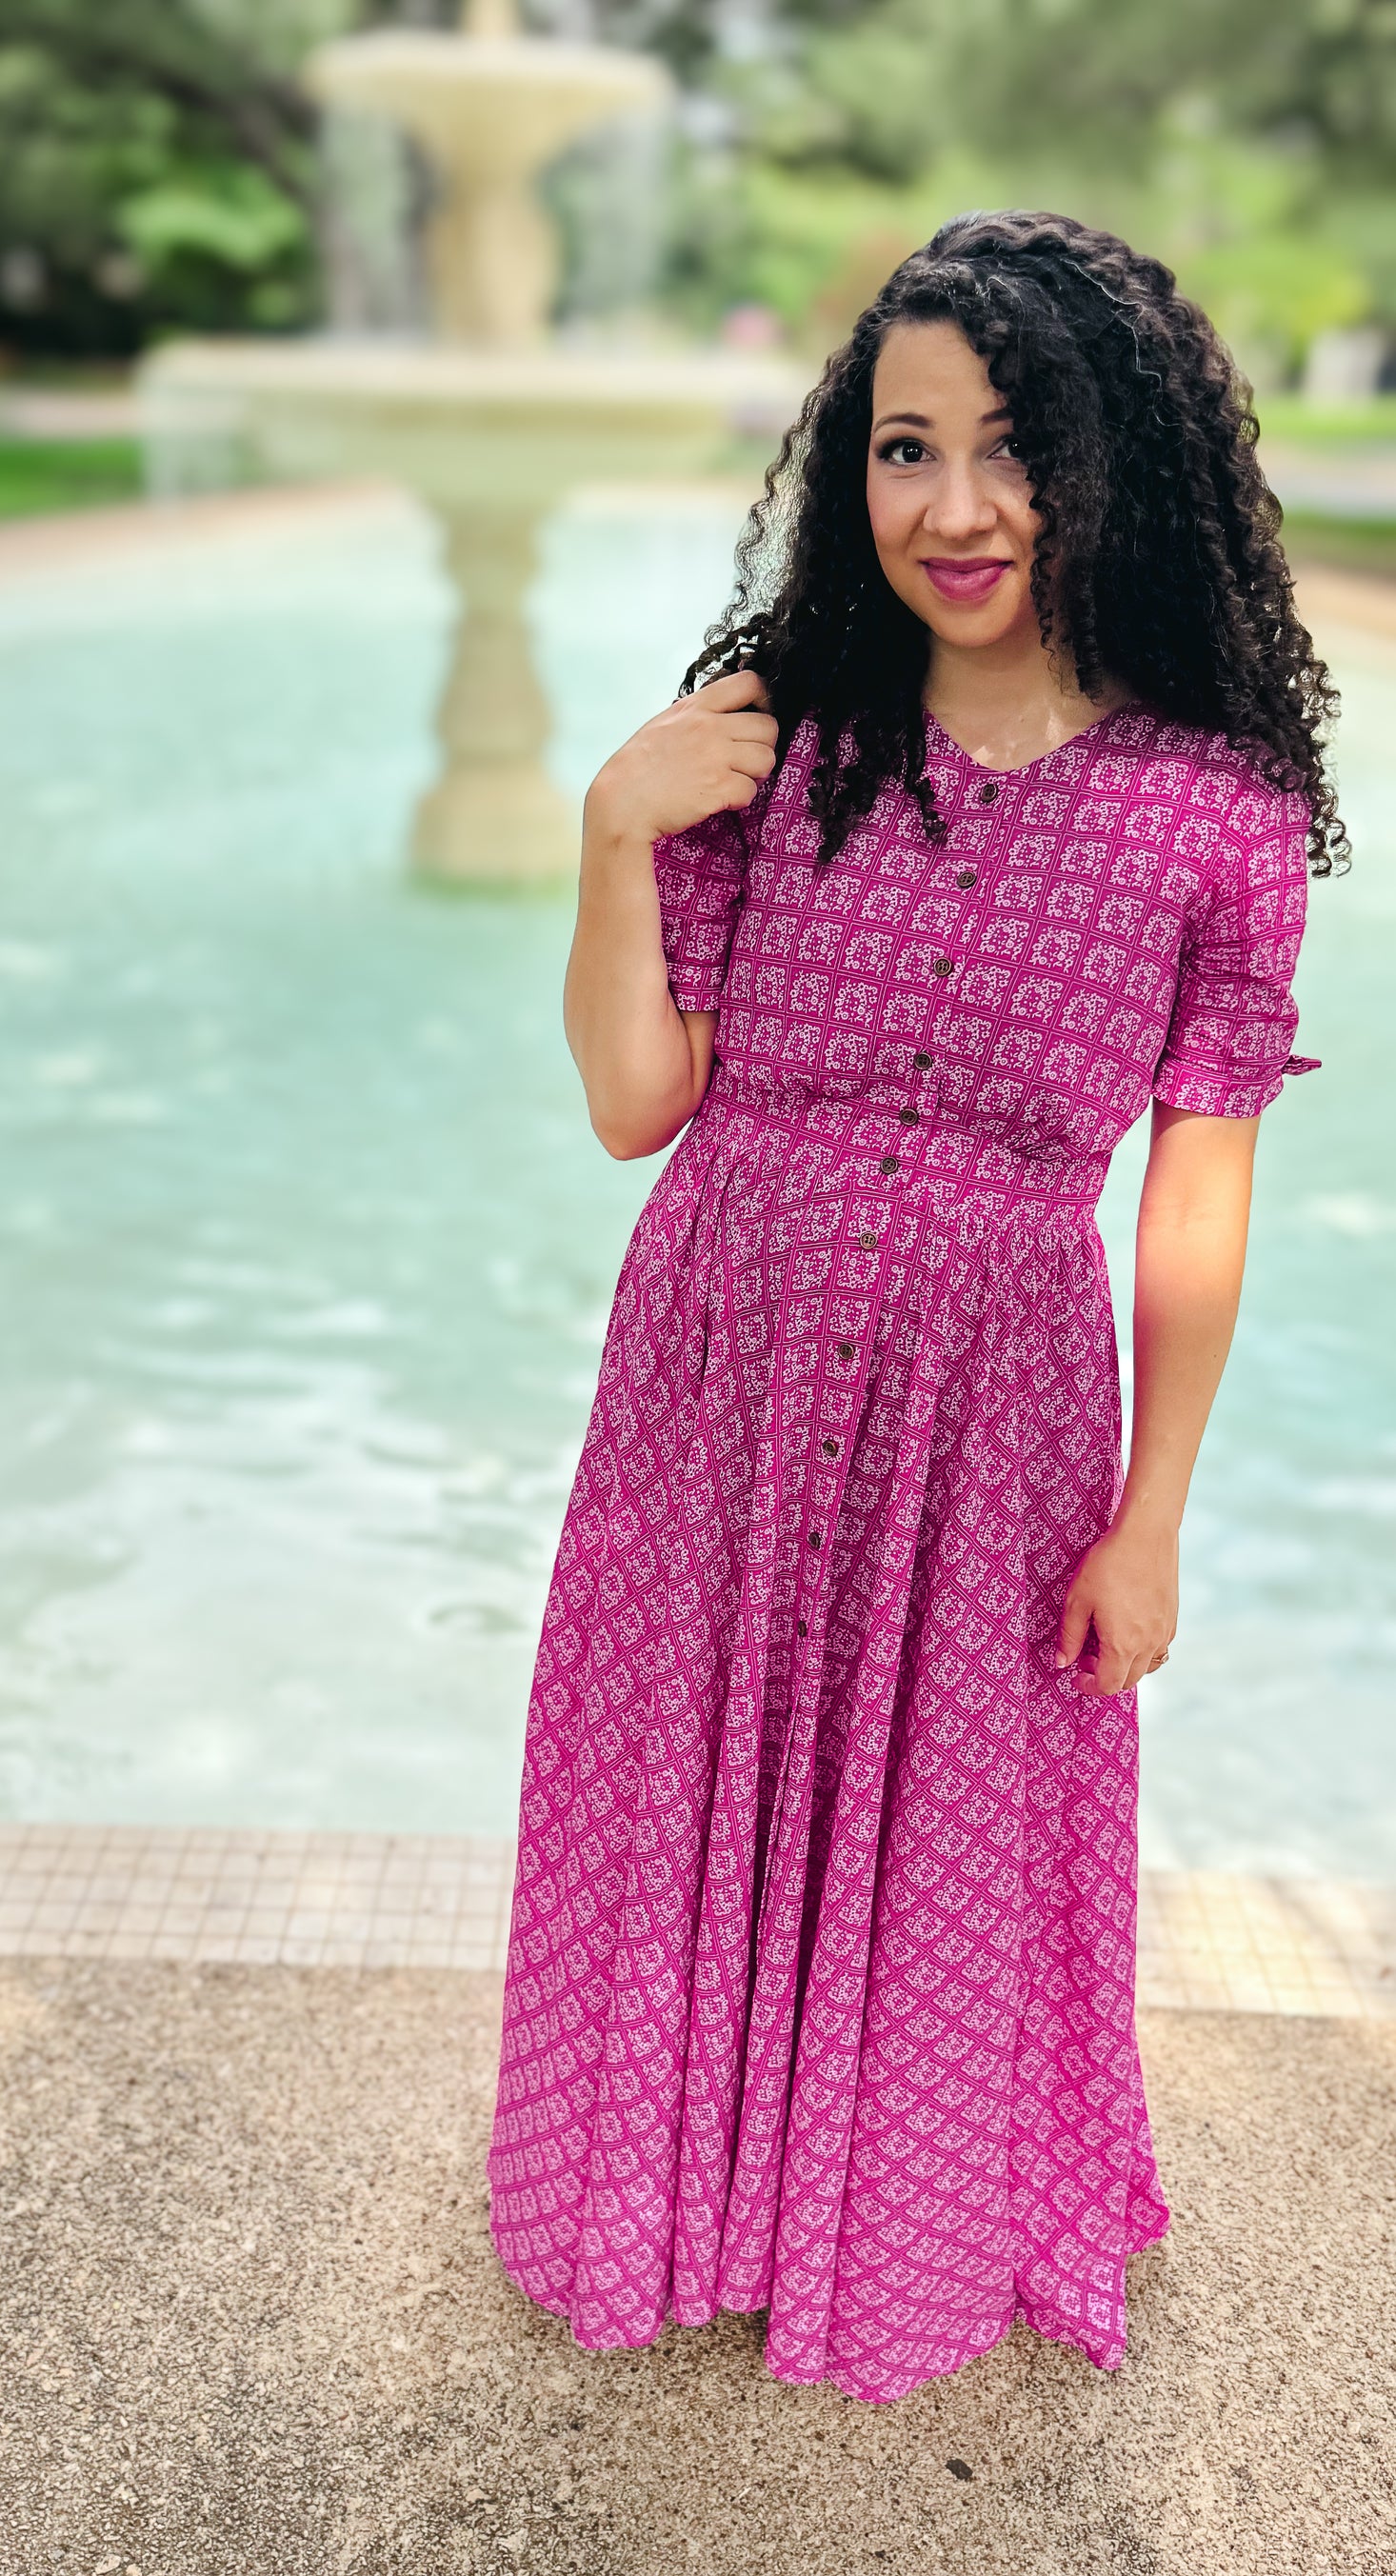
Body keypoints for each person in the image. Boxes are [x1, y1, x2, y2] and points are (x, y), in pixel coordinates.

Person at [487, 210, 1343, 2405]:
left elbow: (1196, 1190)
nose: (950, 510)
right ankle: (672, 2187)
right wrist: (607, 834)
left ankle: (890, 2209)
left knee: (946, 1821)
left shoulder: (1211, 815)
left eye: (1008, 449)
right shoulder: (776, 748)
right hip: (722, 1361)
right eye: (899, 449)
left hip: (1000, 1409)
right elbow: (629, 1104)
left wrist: (1151, 1512)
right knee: (684, 1774)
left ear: (1111, 464)